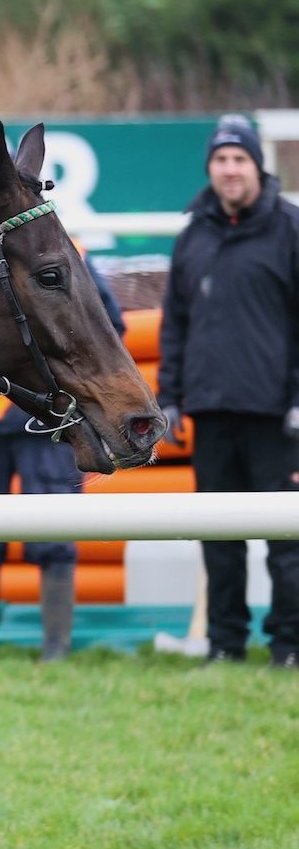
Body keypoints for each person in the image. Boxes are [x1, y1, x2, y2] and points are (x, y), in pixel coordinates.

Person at [0, 246, 125, 661]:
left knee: (53, 532)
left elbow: (108, 329)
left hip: (49, 416)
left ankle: (55, 647)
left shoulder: (66, 253)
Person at [158, 114, 299, 667]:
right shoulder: (192, 235)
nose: (230, 169)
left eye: (239, 159)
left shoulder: (289, 229)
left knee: (286, 542)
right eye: (220, 160)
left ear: (257, 165)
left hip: (277, 418)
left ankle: (289, 646)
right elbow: (175, 325)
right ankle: (225, 644)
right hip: (210, 412)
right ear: (210, 169)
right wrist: (169, 396)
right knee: (219, 541)